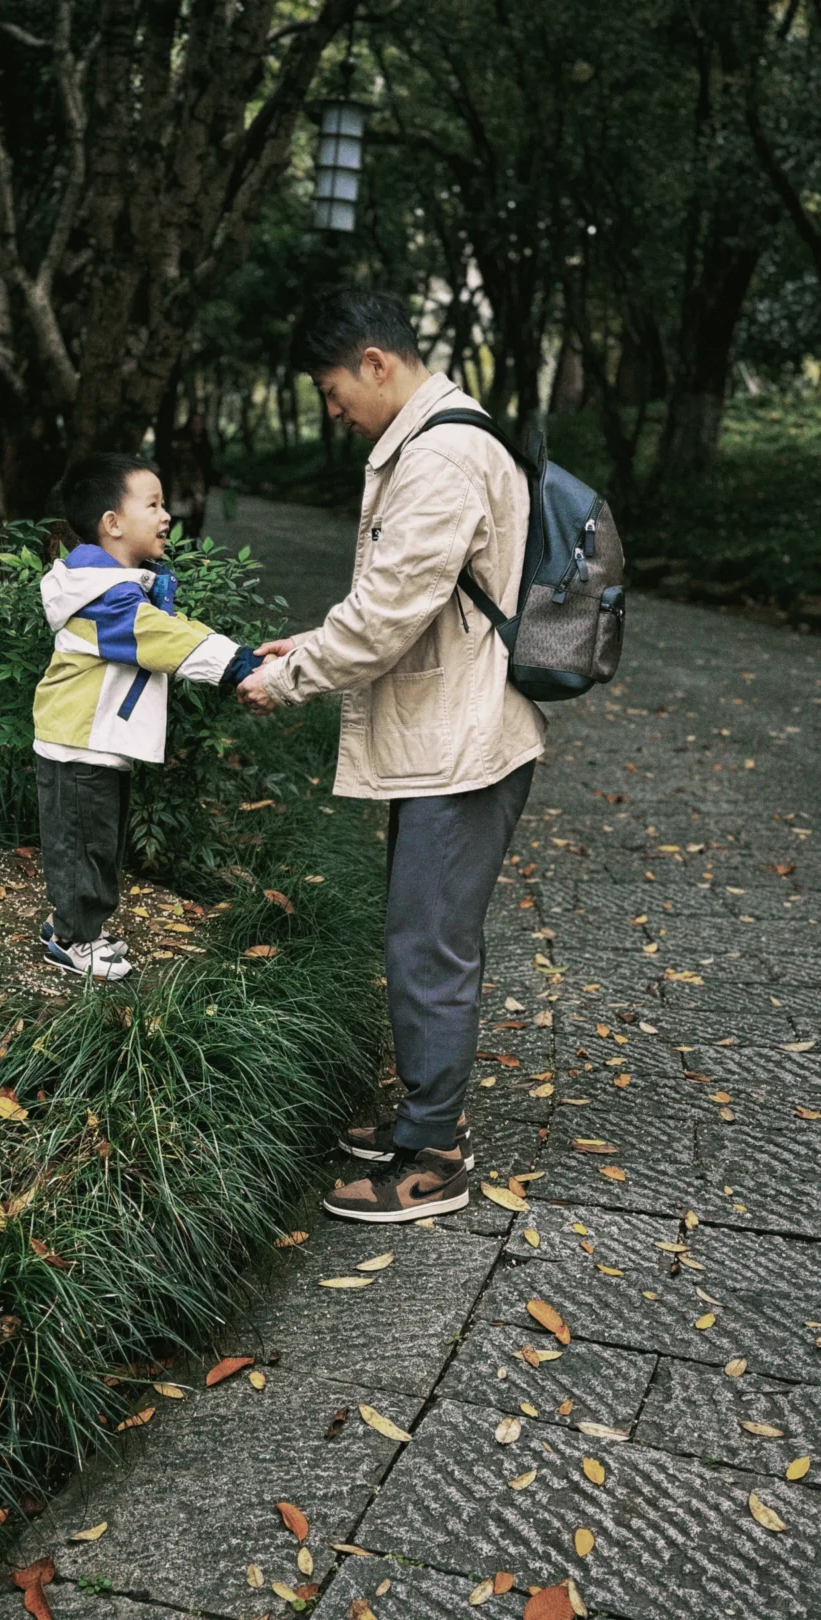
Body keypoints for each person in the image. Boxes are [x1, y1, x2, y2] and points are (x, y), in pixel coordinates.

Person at [238, 290, 546, 1223]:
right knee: (423, 937)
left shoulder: (443, 454)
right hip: (447, 732)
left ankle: (434, 1156)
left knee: (428, 946)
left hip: (465, 744)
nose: (332, 411)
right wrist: (313, 641)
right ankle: (425, 1113)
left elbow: (383, 620)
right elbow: (404, 602)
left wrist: (289, 679)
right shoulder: (436, 440)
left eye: (334, 389)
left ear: (376, 363)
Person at [33, 453, 264, 980]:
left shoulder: (117, 588)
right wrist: (236, 665)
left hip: (96, 739)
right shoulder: (104, 600)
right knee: (82, 846)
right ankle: (73, 940)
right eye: (153, 504)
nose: (167, 515)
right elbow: (161, 637)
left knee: (97, 842)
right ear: (112, 524)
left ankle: (71, 926)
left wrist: (240, 655)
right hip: (79, 743)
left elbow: (170, 626)